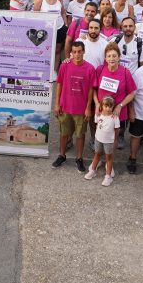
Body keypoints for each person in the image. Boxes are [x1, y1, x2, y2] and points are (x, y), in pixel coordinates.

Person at [51, 41, 96, 172]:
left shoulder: (90, 68)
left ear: (84, 52)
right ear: (71, 52)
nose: (77, 54)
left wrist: (88, 108)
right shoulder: (64, 66)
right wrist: (57, 103)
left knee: (80, 135)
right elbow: (59, 84)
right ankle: (62, 155)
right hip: (65, 107)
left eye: (79, 51)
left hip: (81, 109)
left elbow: (90, 90)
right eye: (74, 52)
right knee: (64, 133)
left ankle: (79, 158)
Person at [86, 97, 119, 187]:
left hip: (109, 142)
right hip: (98, 139)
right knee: (97, 154)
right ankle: (93, 170)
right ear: (102, 106)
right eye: (106, 106)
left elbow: (116, 130)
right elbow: (97, 126)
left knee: (108, 158)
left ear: (113, 107)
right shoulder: (98, 115)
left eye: (110, 106)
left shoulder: (115, 117)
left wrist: (114, 141)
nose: (108, 108)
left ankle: (108, 176)